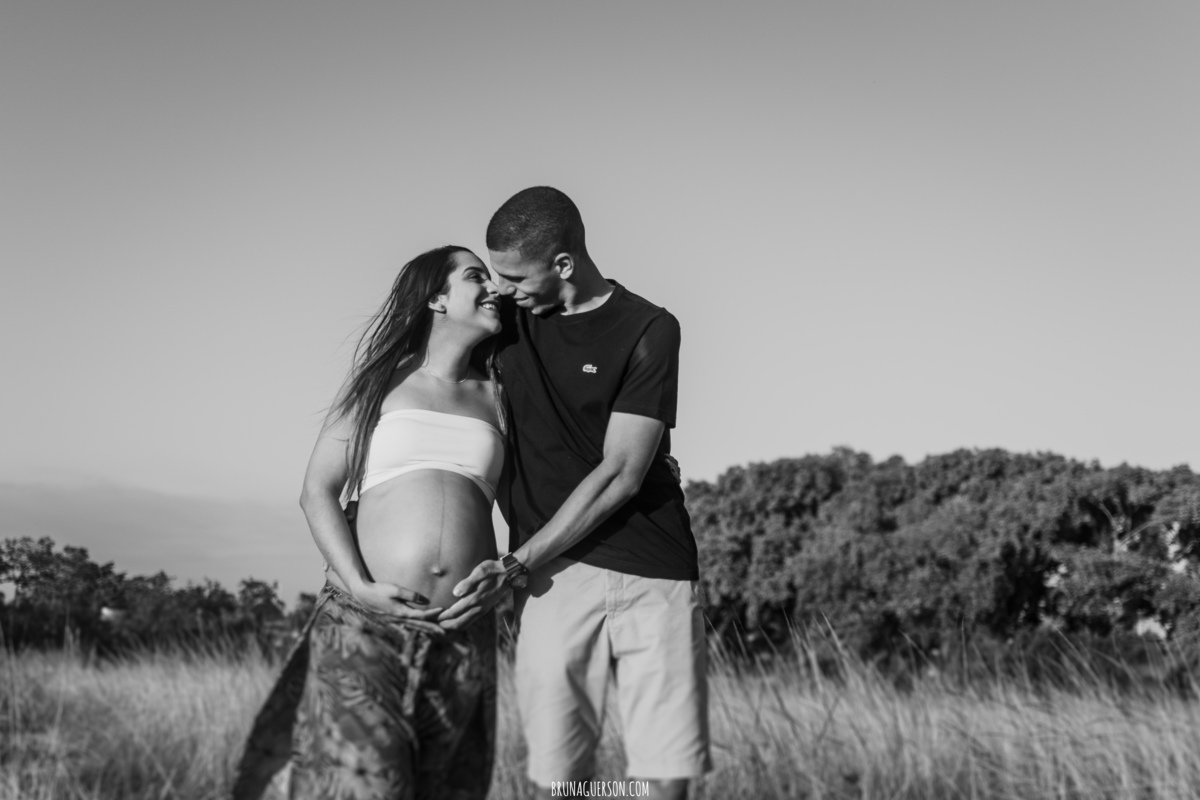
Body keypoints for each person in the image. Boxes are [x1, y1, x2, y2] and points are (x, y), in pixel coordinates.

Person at [440, 187, 711, 800]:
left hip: (653, 569)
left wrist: (513, 563)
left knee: (662, 779)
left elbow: (623, 472)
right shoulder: (503, 322)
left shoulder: (649, 328)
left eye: (514, 275)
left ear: (563, 264)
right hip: (553, 578)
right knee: (562, 780)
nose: (501, 289)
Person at [232, 245, 507, 800]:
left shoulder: (501, 397)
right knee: (366, 789)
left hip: (460, 632)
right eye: (476, 276)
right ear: (436, 297)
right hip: (366, 624)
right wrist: (359, 584)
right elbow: (317, 491)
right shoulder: (380, 383)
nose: (493, 287)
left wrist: (509, 576)